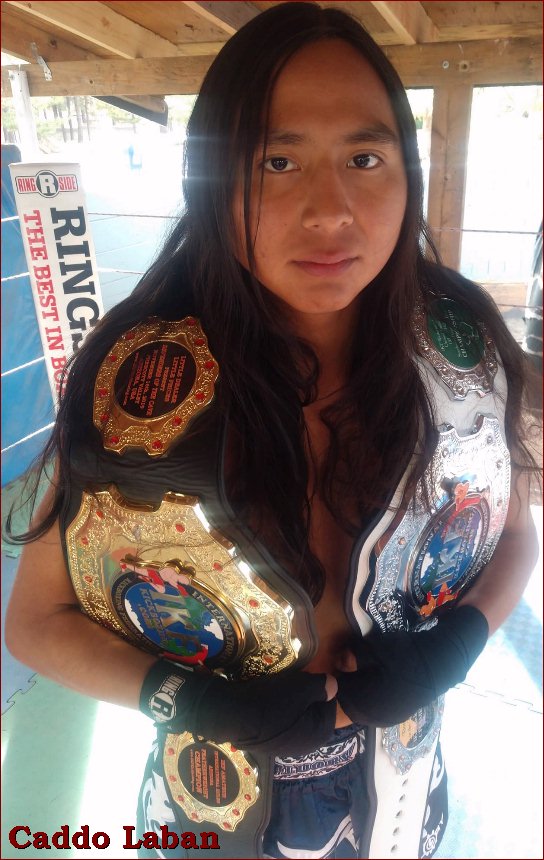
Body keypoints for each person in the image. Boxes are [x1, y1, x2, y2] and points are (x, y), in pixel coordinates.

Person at [5, 3, 539, 858]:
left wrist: (459, 646)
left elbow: (513, 532)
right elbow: (37, 621)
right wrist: (184, 699)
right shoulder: (133, 385)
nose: (330, 211)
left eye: (364, 158)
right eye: (277, 162)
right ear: (213, 181)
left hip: (402, 789)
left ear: (407, 172)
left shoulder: (464, 355)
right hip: (208, 800)